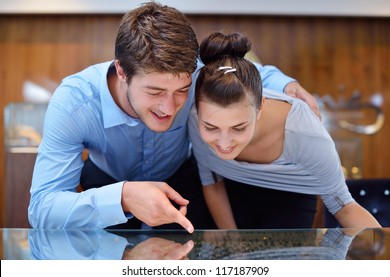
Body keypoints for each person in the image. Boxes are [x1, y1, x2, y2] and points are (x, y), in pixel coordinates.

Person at [28, 2, 319, 232]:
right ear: (121, 71)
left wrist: (284, 83)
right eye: (155, 91)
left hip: (182, 179)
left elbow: (243, 72)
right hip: (107, 182)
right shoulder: (74, 103)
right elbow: (42, 208)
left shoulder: (198, 72)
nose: (169, 107)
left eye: (182, 89)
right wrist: (123, 197)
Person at [188, 31, 381, 229]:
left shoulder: (305, 133)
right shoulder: (196, 117)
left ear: (260, 107)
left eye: (239, 128)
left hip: (290, 198)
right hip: (230, 195)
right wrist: (232, 240)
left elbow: (346, 208)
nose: (224, 142)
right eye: (211, 127)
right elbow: (212, 183)